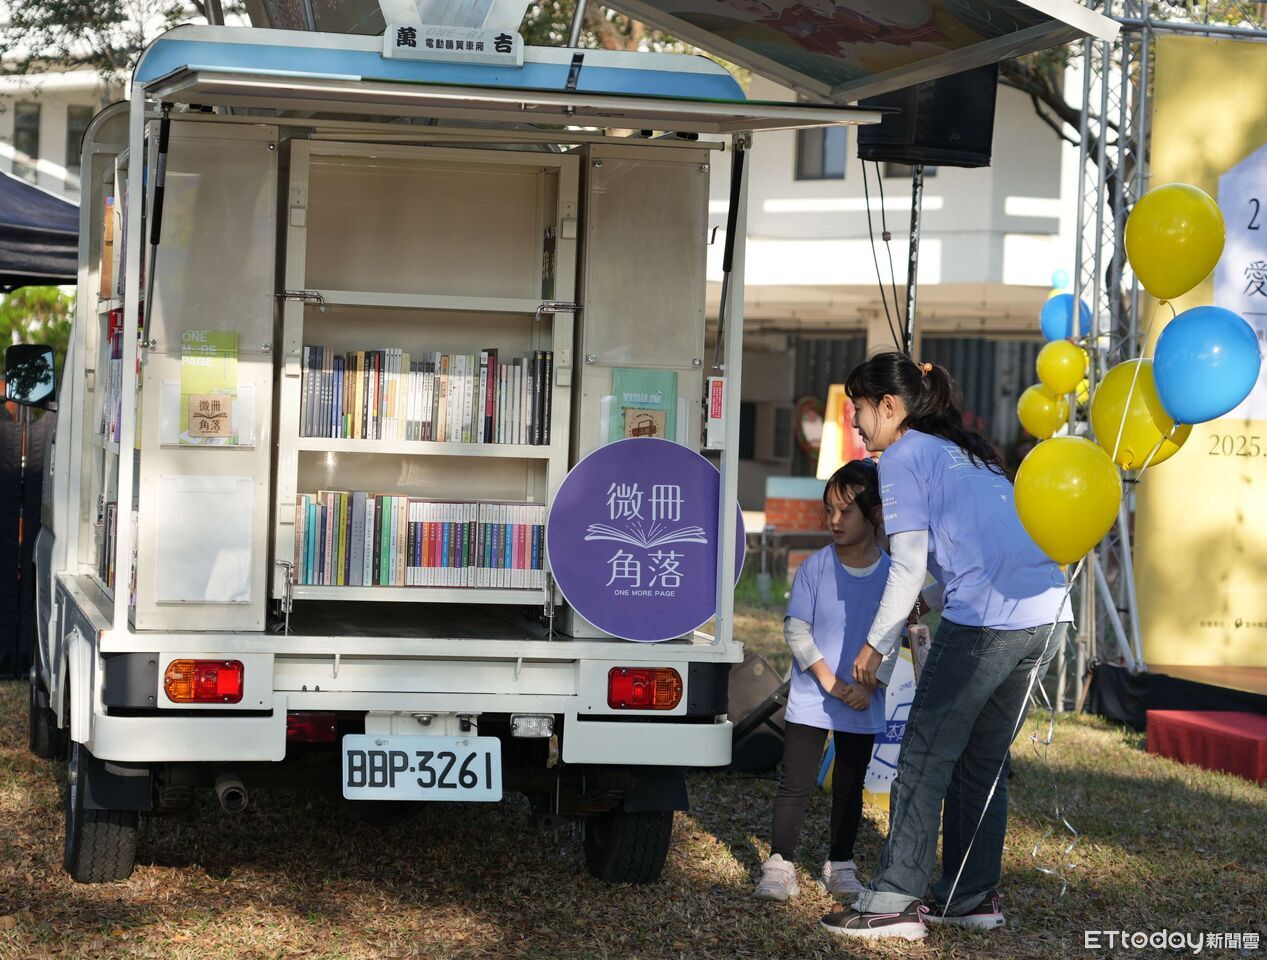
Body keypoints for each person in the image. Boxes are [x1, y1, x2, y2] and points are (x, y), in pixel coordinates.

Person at [820, 353, 1072, 942]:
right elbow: (983, 548)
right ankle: (970, 896)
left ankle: (893, 903)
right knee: (982, 764)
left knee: (925, 756)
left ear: (890, 406)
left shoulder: (904, 455)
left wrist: (875, 647)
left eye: (858, 408)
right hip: (1046, 616)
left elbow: (906, 565)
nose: (854, 421)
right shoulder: (968, 451)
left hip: (989, 622)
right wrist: (931, 601)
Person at [754, 459, 899, 902]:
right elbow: (797, 630)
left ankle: (841, 864)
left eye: (846, 512)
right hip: (814, 697)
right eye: (829, 511)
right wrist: (833, 684)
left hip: (864, 701)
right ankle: (780, 864)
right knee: (794, 783)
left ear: (874, 515)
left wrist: (872, 684)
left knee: (849, 787)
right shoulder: (815, 567)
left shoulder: (894, 575)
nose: (834, 521)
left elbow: (895, 635)